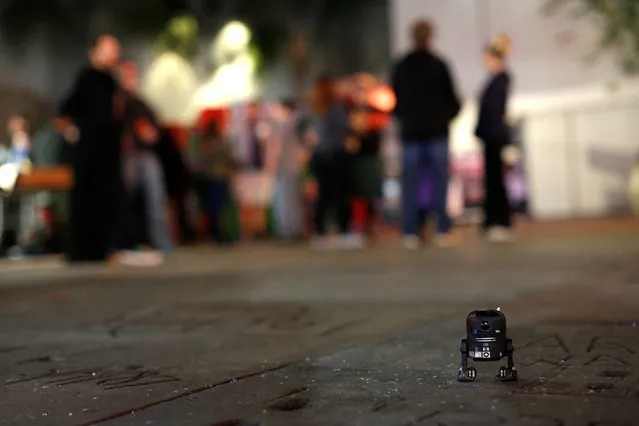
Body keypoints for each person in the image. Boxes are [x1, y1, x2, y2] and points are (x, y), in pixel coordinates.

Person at [391, 19, 461, 249]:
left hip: (411, 133)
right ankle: (442, 229)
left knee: (410, 185)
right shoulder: (439, 65)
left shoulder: (402, 66)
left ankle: (411, 231)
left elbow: (396, 100)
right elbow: (453, 100)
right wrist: (443, 118)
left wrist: (407, 118)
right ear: (431, 37)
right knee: (439, 183)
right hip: (436, 132)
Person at [55, 34, 124, 263]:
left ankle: (101, 248)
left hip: (108, 154)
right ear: (94, 52)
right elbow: (64, 114)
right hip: (88, 154)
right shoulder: (86, 79)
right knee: (85, 202)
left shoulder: (112, 82)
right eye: (107, 48)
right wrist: (72, 134)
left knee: (106, 202)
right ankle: (81, 250)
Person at [118, 60, 173, 263]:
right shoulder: (117, 102)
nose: (129, 80)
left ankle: (161, 243)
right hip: (126, 157)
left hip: (143, 156)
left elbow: (154, 133)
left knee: (155, 200)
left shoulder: (140, 104)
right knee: (125, 201)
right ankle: (127, 241)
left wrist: (146, 131)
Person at [309, 75, 361, 250]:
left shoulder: (314, 108)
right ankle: (343, 230)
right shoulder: (337, 107)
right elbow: (343, 130)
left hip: (319, 157)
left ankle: (321, 231)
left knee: (323, 196)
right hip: (335, 155)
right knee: (340, 195)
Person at [475, 42, 515, 242]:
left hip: (495, 137)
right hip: (490, 136)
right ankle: (492, 221)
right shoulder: (495, 80)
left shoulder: (501, 80)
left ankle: (501, 222)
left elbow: (494, 112)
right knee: (491, 180)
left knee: (496, 181)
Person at [345, 73, 387, 243]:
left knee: (372, 194)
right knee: (357, 194)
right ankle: (358, 226)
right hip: (356, 159)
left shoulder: (375, 110)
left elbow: (377, 133)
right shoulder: (348, 110)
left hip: (370, 156)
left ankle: (372, 226)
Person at [192, 120, 239, 244]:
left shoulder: (203, 142)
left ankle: (215, 232)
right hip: (219, 177)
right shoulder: (220, 141)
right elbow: (229, 156)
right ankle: (219, 233)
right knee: (219, 206)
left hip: (208, 177)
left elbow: (198, 160)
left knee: (213, 207)